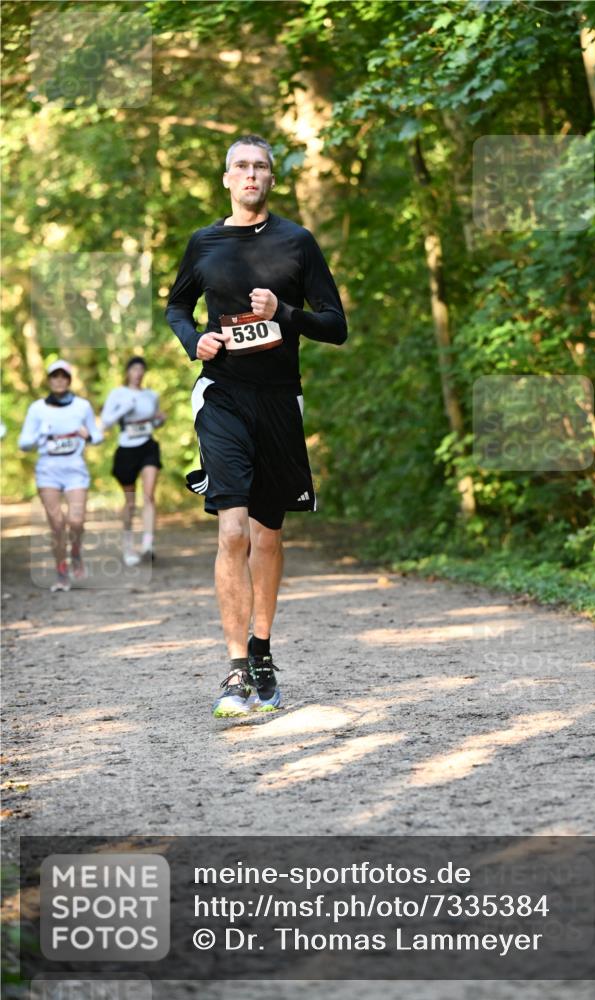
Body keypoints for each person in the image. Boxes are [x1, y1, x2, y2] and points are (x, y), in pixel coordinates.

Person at [166, 134, 347, 718]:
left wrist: (284, 314)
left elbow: (336, 325)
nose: (250, 174)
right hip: (221, 395)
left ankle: (262, 650)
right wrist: (196, 341)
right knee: (232, 532)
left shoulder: (297, 242)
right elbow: (176, 307)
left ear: (271, 178)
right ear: (226, 178)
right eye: (241, 166)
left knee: (267, 536)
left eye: (260, 167)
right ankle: (236, 668)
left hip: (279, 401)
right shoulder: (204, 243)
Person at [19, 359, 103, 592]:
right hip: (48, 472)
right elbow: (23, 443)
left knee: (76, 521)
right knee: (57, 525)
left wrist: (88, 436)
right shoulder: (37, 409)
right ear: (49, 380)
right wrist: (40, 435)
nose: (59, 380)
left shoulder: (82, 406)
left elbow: (97, 437)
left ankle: (75, 552)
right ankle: (61, 573)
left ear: (69, 380)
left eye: (63, 376)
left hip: (75, 471)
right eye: (54, 376)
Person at [101, 356, 165, 566]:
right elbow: (105, 422)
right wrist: (124, 409)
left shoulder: (151, 395)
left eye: (141, 369)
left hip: (148, 447)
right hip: (126, 450)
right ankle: (128, 547)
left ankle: (148, 545)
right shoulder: (117, 394)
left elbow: (153, 423)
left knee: (149, 495)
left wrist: (159, 421)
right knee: (130, 502)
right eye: (134, 369)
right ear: (127, 372)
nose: (138, 373)